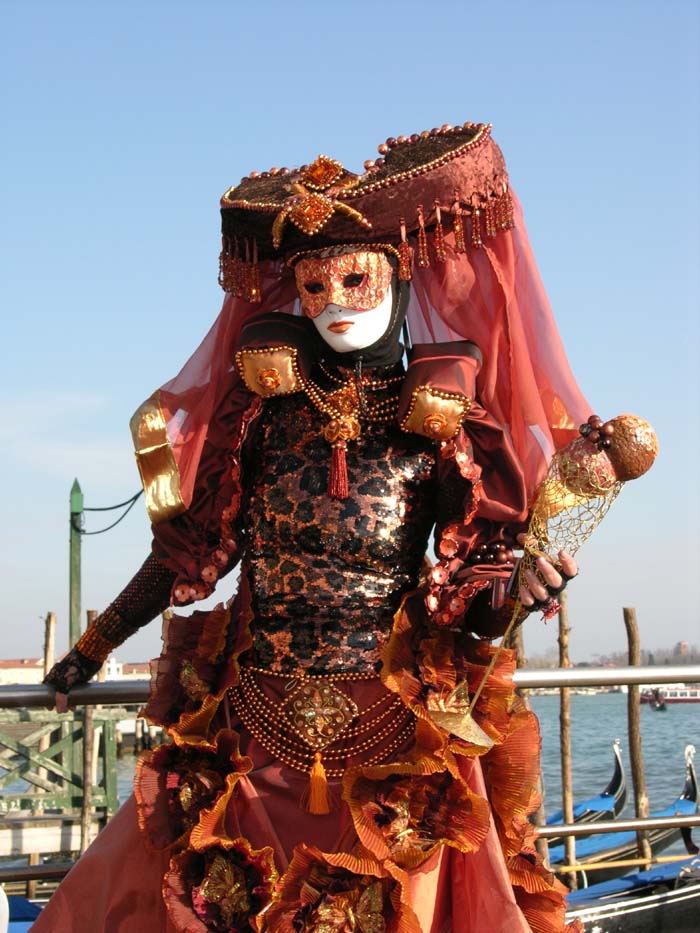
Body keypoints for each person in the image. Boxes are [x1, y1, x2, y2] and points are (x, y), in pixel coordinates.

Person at [40, 121, 588, 932]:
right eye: (315, 285)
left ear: (399, 284)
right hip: (250, 737)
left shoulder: (439, 432)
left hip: (392, 745)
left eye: (356, 280)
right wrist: (94, 645)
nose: (334, 302)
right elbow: (194, 550)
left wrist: (516, 590)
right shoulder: (257, 425)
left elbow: (468, 599)